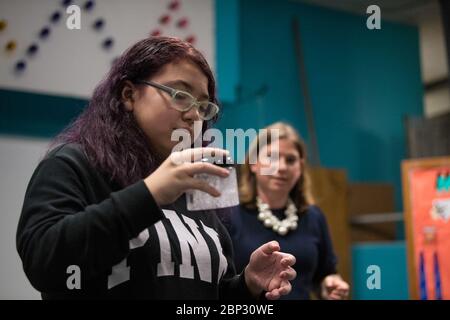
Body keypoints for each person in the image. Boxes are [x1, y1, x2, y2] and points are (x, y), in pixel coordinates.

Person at [16, 37, 296, 300]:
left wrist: (246, 286)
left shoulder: (196, 187)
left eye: (203, 106)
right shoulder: (74, 164)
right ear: (129, 94)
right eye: (180, 95)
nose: (194, 115)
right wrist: (149, 194)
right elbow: (45, 263)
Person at [223, 122, 349, 300]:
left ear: (300, 166)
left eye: (290, 160)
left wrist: (330, 286)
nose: (282, 167)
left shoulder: (313, 216)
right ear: (253, 163)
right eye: (272, 157)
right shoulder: (228, 215)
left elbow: (326, 274)